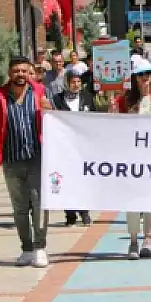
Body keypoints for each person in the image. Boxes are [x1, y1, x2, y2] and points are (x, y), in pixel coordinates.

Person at [0, 56, 53, 268]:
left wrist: (49, 108)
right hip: (12, 160)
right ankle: (27, 249)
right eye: (16, 71)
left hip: (37, 158)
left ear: (29, 72)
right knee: (20, 208)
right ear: (10, 73)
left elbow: (57, 121)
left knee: (39, 205)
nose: (20, 74)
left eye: (24, 70)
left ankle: (40, 248)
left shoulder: (40, 93)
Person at [115, 56, 151, 259]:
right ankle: (133, 241)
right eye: (140, 75)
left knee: (150, 201)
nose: (144, 78)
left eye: (147, 74)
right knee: (132, 202)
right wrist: (112, 110)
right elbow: (114, 126)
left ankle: (148, 240)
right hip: (131, 158)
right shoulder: (124, 100)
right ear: (134, 78)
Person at [51, 70, 96, 227]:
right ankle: (70, 215)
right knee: (67, 180)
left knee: (83, 180)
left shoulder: (88, 98)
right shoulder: (57, 99)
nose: (76, 84)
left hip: (83, 148)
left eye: (78, 81)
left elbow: (95, 119)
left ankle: (85, 213)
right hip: (65, 147)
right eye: (73, 81)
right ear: (67, 82)